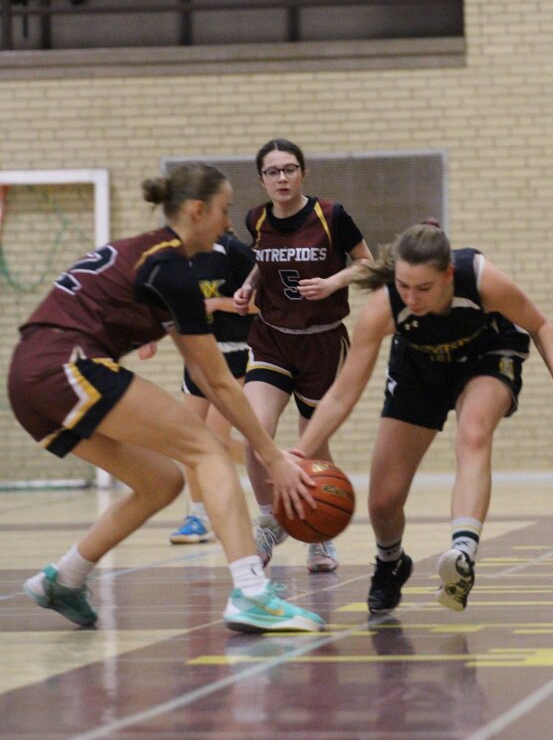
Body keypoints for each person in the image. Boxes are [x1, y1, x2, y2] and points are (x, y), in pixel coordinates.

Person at [8, 161, 325, 634]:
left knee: (161, 482)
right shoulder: (170, 268)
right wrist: (272, 456)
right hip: (63, 365)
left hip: (27, 379)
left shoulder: (152, 257)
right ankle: (251, 592)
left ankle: (64, 577)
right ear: (197, 210)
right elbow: (217, 381)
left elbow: (200, 367)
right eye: (223, 210)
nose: (227, 222)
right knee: (208, 450)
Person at [294, 220, 553, 612]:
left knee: (473, 433)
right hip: (419, 366)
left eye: (423, 288)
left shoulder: (480, 279)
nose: (411, 298)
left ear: (448, 275)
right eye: (403, 286)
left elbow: (540, 324)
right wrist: (300, 453)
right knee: (382, 501)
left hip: (486, 354)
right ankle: (390, 562)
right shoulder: (384, 307)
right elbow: (342, 394)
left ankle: (462, 556)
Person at [233, 138, 373, 573]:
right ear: (262, 179)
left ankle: (318, 533)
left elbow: (368, 263)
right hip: (271, 338)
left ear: (303, 173)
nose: (282, 178)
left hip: (322, 341)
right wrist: (248, 286)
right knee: (254, 432)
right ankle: (269, 521)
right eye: (273, 171)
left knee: (312, 443)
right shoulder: (256, 218)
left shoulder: (331, 215)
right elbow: (264, 261)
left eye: (290, 169)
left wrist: (333, 283)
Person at [139, 229, 258, 545]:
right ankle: (197, 516)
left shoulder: (233, 251)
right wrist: (150, 335)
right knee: (190, 439)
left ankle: (273, 465)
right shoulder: (178, 257)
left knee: (216, 440)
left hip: (235, 353)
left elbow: (265, 303)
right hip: (198, 356)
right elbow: (167, 304)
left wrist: (218, 303)